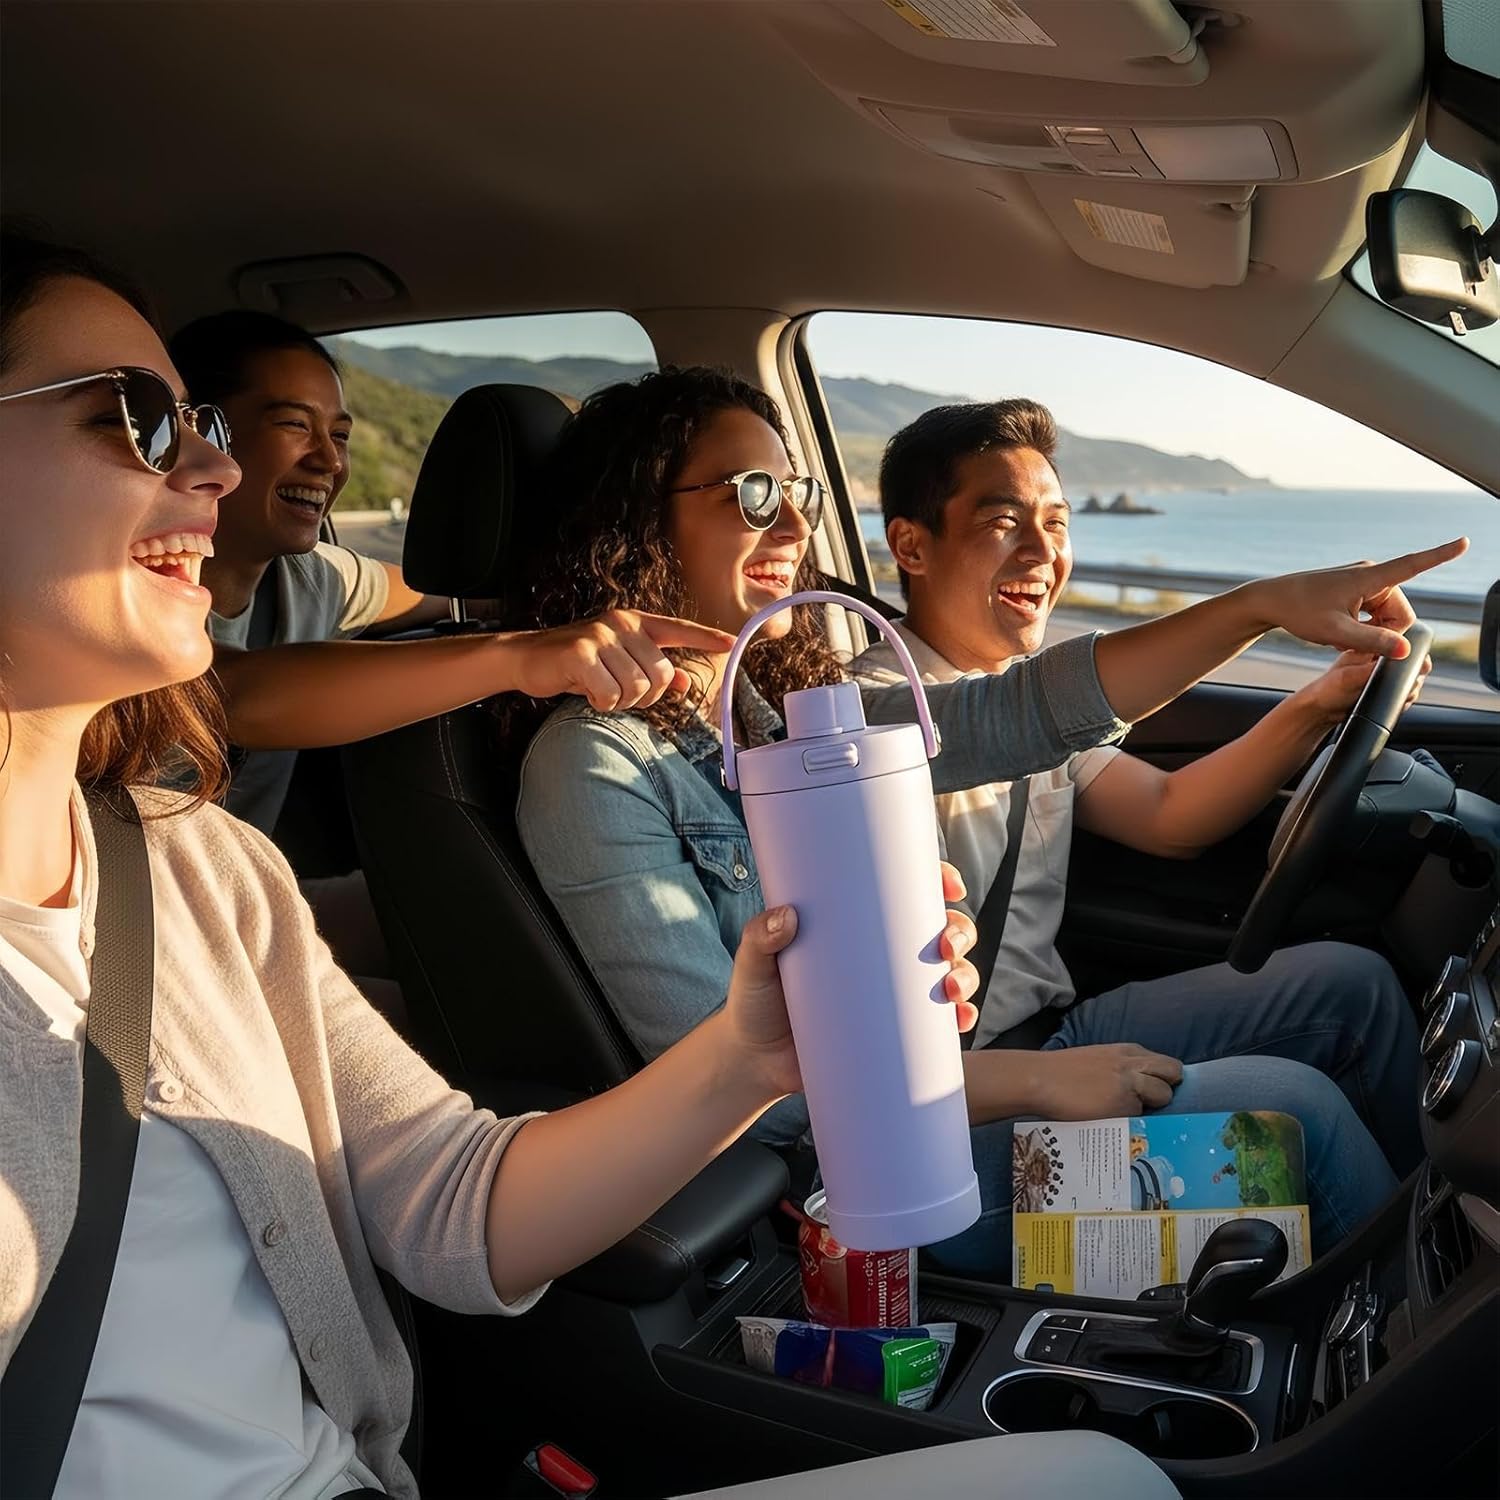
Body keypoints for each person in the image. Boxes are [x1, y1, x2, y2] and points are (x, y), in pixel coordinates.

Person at [0, 232, 999, 1499]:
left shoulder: (208, 876)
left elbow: (452, 1205)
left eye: (197, 421)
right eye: (133, 421)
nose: (215, 464)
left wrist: (756, 1053)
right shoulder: (581, 764)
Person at [514, 366, 1463, 1272]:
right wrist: (1038, 1081)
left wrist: (1261, 612)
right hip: (862, 1177)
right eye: (755, 492)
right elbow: (741, 1091)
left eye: (798, 489)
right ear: (640, 513)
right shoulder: (591, 766)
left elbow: (1031, 715)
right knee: (1296, 1113)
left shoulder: (777, 710)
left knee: (1354, 990)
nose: (798, 522)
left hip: (957, 1078)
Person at [853, 399, 1430, 1178]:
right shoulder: (868, 719)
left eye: (1056, 524)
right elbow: (1028, 712)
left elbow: (1170, 815)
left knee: (1351, 984)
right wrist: (1259, 607)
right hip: (943, 1106)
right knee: (1299, 1111)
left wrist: (1322, 702)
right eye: (1002, 524)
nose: (1040, 552)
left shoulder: (1009, 693)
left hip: (1053, 1030)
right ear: (910, 547)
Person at [168, 311, 740, 1016]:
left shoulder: (314, 579)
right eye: (294, 425)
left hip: (224, 901)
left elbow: (429, 588)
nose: (330, 460)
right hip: (134, 936)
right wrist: (523, 656)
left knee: (479, 959)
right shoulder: (126, 601)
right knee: (447, 1037)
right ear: (199, 434)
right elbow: (232, 694)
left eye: (340, 435)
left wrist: (559, 595)